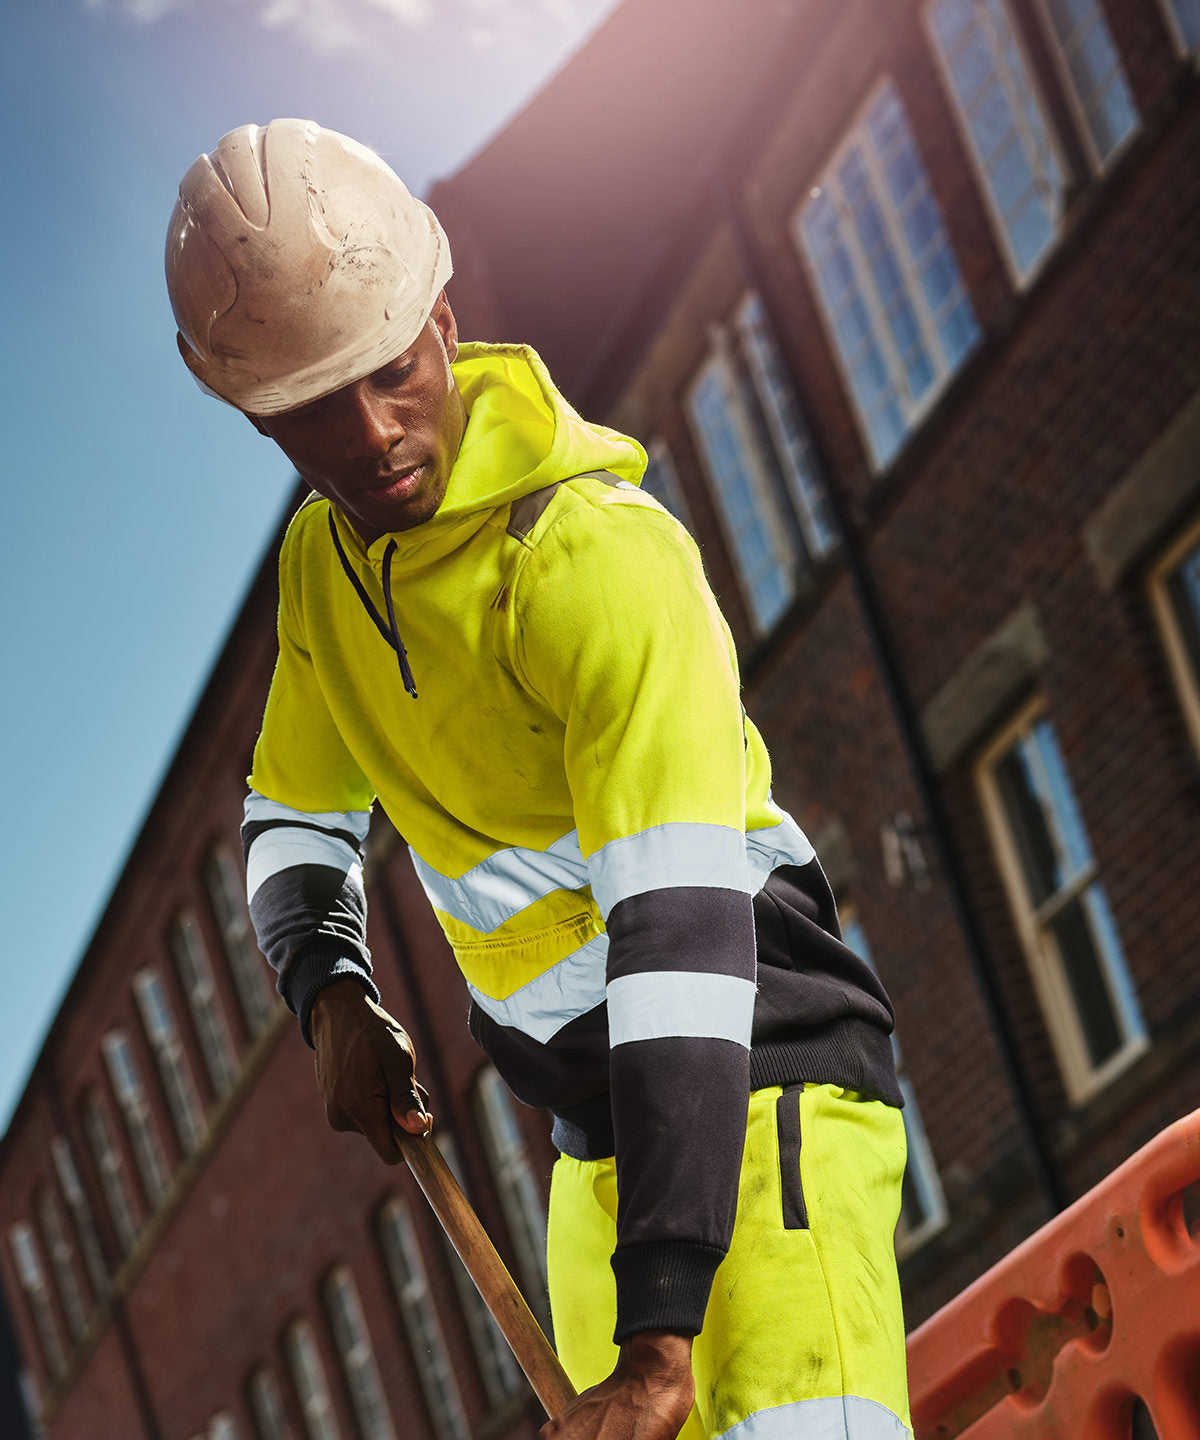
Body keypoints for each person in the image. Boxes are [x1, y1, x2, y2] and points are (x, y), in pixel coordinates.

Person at [166, 118, 913, 1440]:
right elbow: (292, 817)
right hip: (600, 1149)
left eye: (391, 374)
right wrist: (328, 989)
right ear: (243, 407)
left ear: (444, 319)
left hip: (759, 1092)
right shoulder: (325, 585)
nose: (371, 437)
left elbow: (683, 944)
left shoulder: (594, 562)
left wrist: (662, 1338)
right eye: (307, 412)